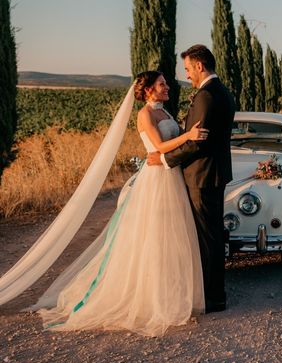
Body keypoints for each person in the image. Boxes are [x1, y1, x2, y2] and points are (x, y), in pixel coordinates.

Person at [1, 71, 209, 337]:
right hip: (156, 179)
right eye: (161, 84)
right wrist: (189, 136)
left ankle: (172, 294)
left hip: (171, 177)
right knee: (154, 237)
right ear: (147, 91)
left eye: (166, 83)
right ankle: (150, 299)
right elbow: (159, 147)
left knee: (172, 235)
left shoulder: (165, 113)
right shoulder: (145, 115)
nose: (167, 86)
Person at [147, 44, 235, 313]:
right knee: (211, 236)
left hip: (202, 175)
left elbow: (198, 143)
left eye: (187, 68)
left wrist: (163, 160)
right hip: (212, 173)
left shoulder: (206, 96)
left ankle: (212, 298)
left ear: (199, 66)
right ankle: (213, 293)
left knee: (207, 238)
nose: (186, 75)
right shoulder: (222, 92)